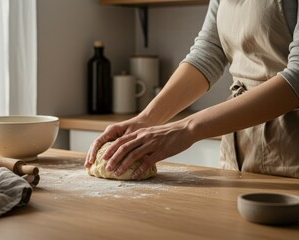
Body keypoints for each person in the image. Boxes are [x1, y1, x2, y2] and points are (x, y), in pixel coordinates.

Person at [84, 0, 299, 179]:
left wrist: (187, 128)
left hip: (291, 149)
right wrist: (147, 118)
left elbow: (297, 78)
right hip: (239, 146)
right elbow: (208, 54)